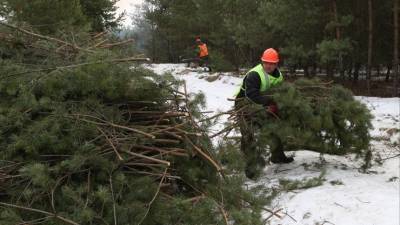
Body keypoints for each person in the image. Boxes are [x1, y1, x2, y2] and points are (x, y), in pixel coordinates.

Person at [235, 48, 293, 179]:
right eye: (266, 62)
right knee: (249, 135)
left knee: (274, 129)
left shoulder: (278, 75)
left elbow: (279, 91)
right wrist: (270, 103)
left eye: (272, 63)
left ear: (276, 64)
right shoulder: (254, 74)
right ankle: (250, 169)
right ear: (262, 61)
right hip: (244, 105)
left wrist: (278, 103)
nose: (269, 65)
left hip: (264, 104)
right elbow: (251, 95)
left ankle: (278, 156)